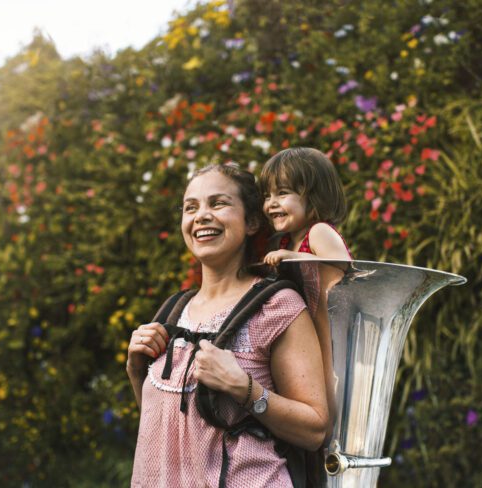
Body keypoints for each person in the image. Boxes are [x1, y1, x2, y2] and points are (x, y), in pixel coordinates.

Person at [127, 163, 329, 487]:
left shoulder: (277, 306)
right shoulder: (171, 312)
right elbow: (171, 428)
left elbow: (314, 429)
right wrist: (136, 371)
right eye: (190, 208)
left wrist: (243, 387)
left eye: (218, 203)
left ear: (250, 221)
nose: (201, 215)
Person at [258, 147, 353, 438]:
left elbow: (347, 269)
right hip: (309, 336)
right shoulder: (286, 239)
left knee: (330, 408)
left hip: (330, 333)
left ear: (314, 197)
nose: (272, 203)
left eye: (283, 193)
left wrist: (293, 256)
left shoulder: (319, 232)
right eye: (267, 196)